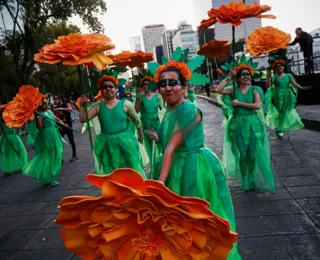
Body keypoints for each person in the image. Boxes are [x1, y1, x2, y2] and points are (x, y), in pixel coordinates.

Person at [146, 49, 241, 259]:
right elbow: (171, 142)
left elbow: (172, 148)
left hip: (193, 167)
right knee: (177, 222)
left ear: (184, 86)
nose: (168, 88)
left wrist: (159, 185)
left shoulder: (188, 110)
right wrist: (159, 137)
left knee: (194, 219)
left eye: (173, 83)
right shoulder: (170, 111)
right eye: (163, 84)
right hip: (175, 165)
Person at [216, 62, 276, 193]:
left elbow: (257, 105)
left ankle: (252, 177)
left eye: (248, 74)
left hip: (253, 124)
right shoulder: (233, 90)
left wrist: (239, 103)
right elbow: (218, 90)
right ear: (238, 78)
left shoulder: (255, 90)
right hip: (237, 125)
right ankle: (245, 179)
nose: (246, 76)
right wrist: (229, 76)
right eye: (243, 74)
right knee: (242, 153)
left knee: (252, 152)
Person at [79, 72, 146, 178]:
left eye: (111, 86)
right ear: (101, 91)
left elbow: (137, 121)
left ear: (116, 89)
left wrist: (141, 135)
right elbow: (83, 119)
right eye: (105, 87)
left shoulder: (125, 104)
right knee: (112, 170)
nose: (108, 89)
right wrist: (82, 105)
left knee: (130, 167)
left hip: (125, 142)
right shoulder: (98, 107)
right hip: (107, 144)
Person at [22, 99, 65, 186]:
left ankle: (45, 176)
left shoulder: (48, 112)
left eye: (46, 103)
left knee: (55, 154)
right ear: (39, 105)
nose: (46, 105)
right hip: (46, 136)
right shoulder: (40, 114)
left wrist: (63, 124)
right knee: (49, 156)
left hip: (53, 134)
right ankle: (50, 177)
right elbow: (40, 127)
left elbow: (55, 118)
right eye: (44, 104)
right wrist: (37, 117)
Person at [266, 59, 311, 138]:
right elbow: (269, 87)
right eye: (277, 67)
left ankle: (279, 129)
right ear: (275, 69)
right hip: (277, 96)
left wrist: (303, 88)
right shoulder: (274, 77)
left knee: (283, 112)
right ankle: (279, 128)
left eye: (281, 66)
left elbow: (294, 84)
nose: (279, 68)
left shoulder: (288, 75)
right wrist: (268, 78)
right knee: (281, 112)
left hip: (287, 96)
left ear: (283, 67)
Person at [135, 72, 164, 165]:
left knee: (161, 142)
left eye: (148, 84)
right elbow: (136, 110)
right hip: (146, 123)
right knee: (151, 145)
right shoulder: (141, 98)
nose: (146, 86)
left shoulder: (157, 96)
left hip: (156, 122)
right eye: (144, 85)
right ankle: (154, 164)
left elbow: (163, 109)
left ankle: (162, 162)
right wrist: (137, 99)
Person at [0, 109, 28, 175]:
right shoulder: (1, 123)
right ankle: (8, 168)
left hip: (15, 138)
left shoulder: (13, 120)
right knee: (7, 154)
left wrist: (24, 122)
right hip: (6, 140)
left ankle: (22, 165)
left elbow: (20, 128)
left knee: (20, 151)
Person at [53, 94, 78, 162]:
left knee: (71, 140)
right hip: (61, 126)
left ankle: (74, 155)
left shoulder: (66, 104)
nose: (55, 100)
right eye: (54, 99)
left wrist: (61, 108)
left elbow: (70, 109)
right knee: (59, 142)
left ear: (60, 99)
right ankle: (60, 158)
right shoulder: (56, 106)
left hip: (68, 126)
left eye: (56, 99)